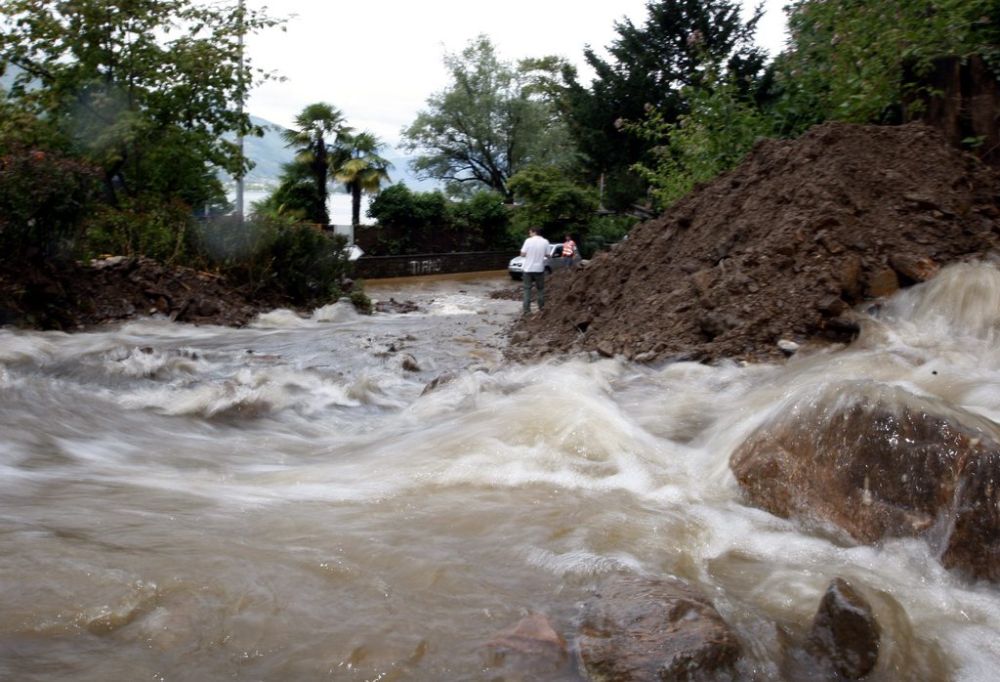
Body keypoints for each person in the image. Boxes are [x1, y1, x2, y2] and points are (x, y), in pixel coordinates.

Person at [520, 227, 550, 314]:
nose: (529, 234)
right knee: (540, 289)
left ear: (534, 232)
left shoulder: (528, 241)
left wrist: (528, 254)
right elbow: (548, 255)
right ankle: (541, 308)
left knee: (527, 289)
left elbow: (522, 254)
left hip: (528, 269)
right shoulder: (545, 241)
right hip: (539, 269)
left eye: (530, 232)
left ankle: (527, 310)